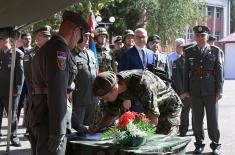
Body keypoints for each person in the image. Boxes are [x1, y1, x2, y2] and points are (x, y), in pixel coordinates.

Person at [27, 10, 89, 155]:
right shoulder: (59, 50)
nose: (78, 41)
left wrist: (76, 124)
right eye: (80, 36)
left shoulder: (48, 47)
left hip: (41, 114)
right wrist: (58, 130)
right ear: (75, 31)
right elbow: (57, 92)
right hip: (49, 121)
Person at [91, 70, 182, 136]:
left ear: (115, 89)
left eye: (106, 98)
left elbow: (153, 119)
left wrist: (133, 133)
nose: (105, 101)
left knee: (164, 143)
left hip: (170, 108)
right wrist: (98, 126)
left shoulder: (142, 83)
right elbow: (111, 114)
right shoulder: (113, 86)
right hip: (152, 108)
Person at [182, 25, 224, 154]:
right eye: (197, 35)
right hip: (194, 90)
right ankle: (199, 144)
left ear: (207, 37)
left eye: (203, 35)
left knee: (213, 119)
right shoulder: (189, 51)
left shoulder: (215, 51)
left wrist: (220, 90)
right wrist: (185, 90)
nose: (200, 38)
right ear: (194, 37)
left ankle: (215, 144)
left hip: (211, 90)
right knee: (196, 119)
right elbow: (185, 72)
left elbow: (219, 71)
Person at [0, 27, 24, 146]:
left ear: (6, 41)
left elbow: (20, 74)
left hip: (11, 91)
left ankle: (13, 136)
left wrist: (17, 90)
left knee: (12, 114)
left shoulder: (17, 53)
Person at [71, 30, 98, 135]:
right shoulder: (72, 53)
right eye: (84, 36)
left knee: (89, 127)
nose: (87, 38)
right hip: (79, 98)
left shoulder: (91, 53)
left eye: (88, 36)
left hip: (93, 97)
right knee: (78, 128)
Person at [171, 43, 192, 137]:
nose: (187, 53)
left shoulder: (194, 62)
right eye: (185, 51)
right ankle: (183, 129)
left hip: (195, 92)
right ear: (183, 51)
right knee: (184, 112)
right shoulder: (177, 62)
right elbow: (177, 79)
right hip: (184, 93)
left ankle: (197, 129)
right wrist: (182, 92)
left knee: (197, 112)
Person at [17, 33, 32, 121]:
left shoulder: (35, 50)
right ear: (22, 40)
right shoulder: (18, 50)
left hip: (31, 82)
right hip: (21, 82)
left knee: (31, 104)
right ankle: (14, 127)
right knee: (19, 104)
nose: (28, 40)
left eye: (29, 38)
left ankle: (29, 126)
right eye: (26, 38)